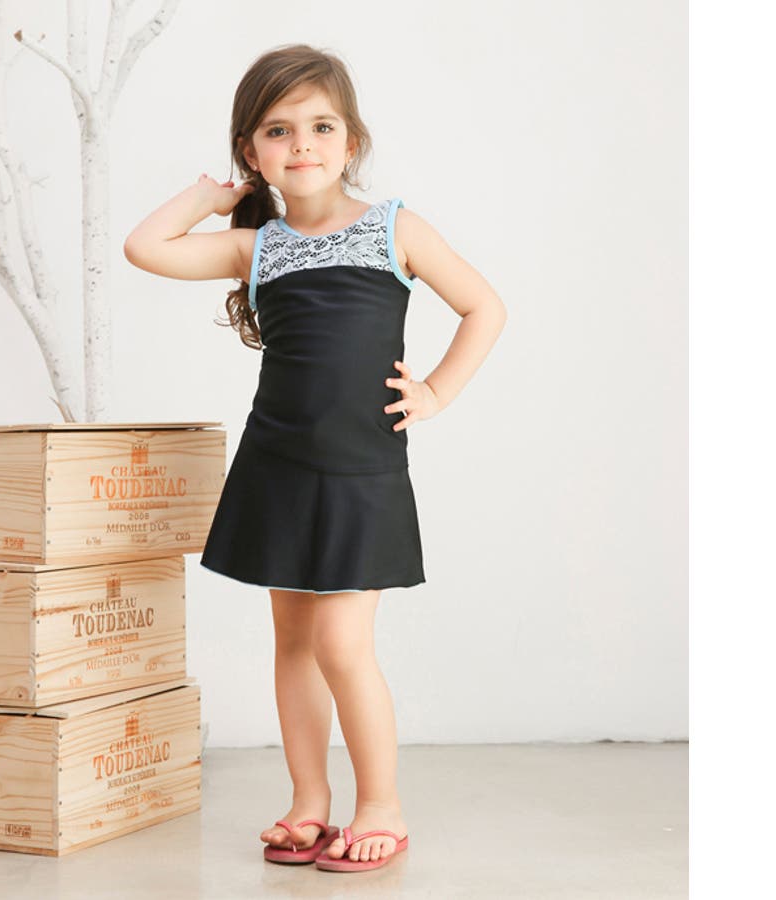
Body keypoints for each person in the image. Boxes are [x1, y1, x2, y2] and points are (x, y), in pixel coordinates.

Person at [124, 43, 507, 873]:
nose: (302, 144)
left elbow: (485, 306)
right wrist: (208, 197)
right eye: (278, 130)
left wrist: (435, 392)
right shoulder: (255, 246)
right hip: (277, 465)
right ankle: (308, 803)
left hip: (361, 470)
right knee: (293, 642)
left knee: (341, 643)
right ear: (252, 152)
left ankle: (382, 806)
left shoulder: (394, 228)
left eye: (321, 126)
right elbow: (145, 247)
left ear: (351, 140)